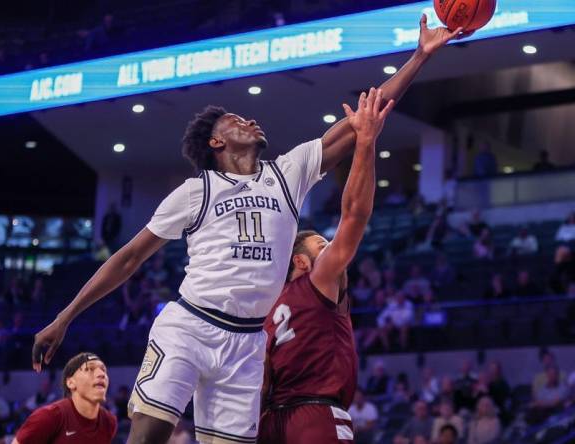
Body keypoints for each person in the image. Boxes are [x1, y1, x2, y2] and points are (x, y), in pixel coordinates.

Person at [31, 16, 469, 443]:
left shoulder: (286, 173)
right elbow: (128, 258)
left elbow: (362, 120)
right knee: (149, 436)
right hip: (191, 325)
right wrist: (64, 317)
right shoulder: (196, 189)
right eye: (235, 121)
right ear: (216, 143)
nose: (250, 120)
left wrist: (419, 57)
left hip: (246, 345)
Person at [259, 86, 393, 443]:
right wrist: (365, 143)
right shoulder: (316, 279)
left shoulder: (265, 304)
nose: (331, 248)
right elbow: (354, 215)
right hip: (313, 415)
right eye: (322, 244)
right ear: (301, 261)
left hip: (269, 419)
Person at [13, 353, 116, 443]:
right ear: (71, 383)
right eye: (89, 369)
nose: (101, 374)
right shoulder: (49, 417)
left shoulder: (109, 422)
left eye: (103, 370)